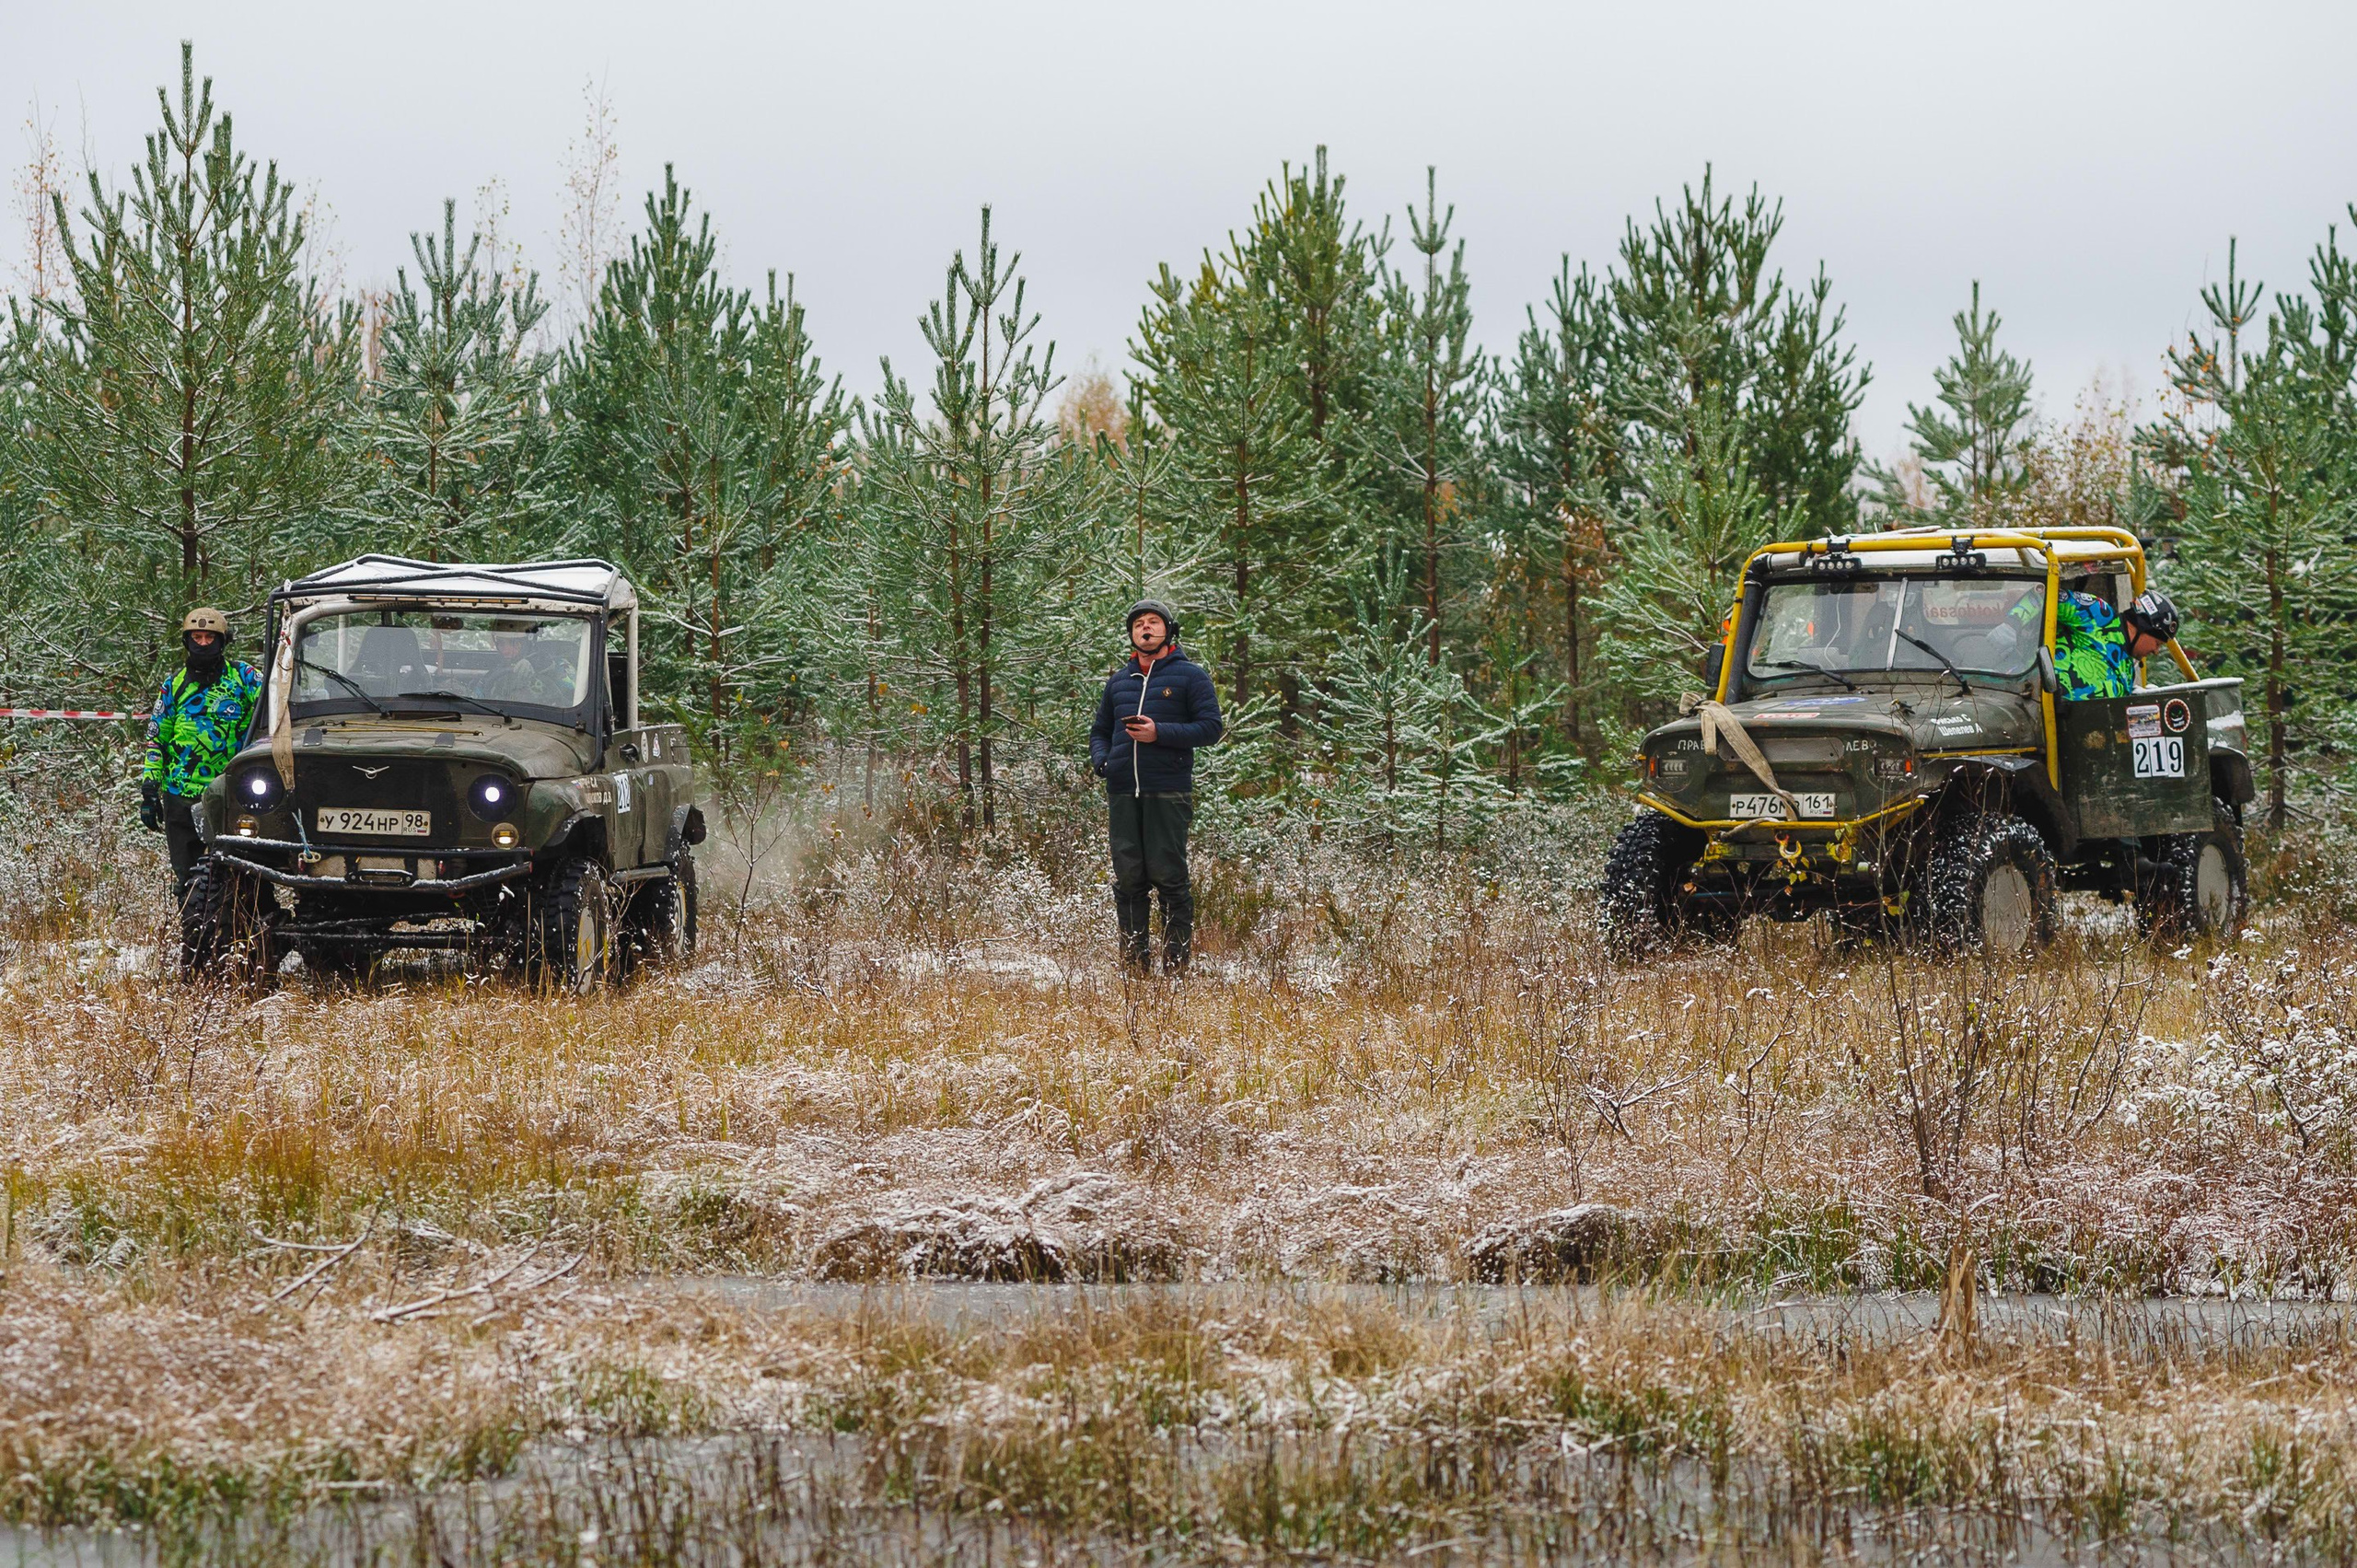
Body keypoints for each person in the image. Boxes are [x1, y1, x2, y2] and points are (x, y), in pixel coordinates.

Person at [1088, 600, 1224, 974]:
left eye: (1153, 623)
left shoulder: (1190, 677)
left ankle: (1176, 970)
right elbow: (1100, 730)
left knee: (1169, 879)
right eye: (1138, 624)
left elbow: (1211, 728)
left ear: (1168, 630)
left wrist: (1158, 733)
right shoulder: (1118, 681)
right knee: (1129, 879)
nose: (1145, 629)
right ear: (1132, 634)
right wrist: (1103, 760)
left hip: (1167, 791)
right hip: (1122, 793)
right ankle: (1135, 968)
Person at [140, 608, 265, 902]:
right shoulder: (174, 685)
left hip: (230, 794)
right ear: (187, 641)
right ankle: (195, 941)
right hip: (180, 794)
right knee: (187, 882)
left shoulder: (243, 677)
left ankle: (245, 938)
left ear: (223, 641)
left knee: (241, 875)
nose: (203, 643)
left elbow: (276, 698)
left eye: (210, 637)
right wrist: (149, 788)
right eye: (197, 636)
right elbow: (156, 740)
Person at [2052, 587, 2178, 700]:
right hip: (2040, 703)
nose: (2156, 652)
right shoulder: (2099, 613)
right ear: (2144, 627)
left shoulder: (2128, 671)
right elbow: (2043, 597)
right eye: (2157, 643)